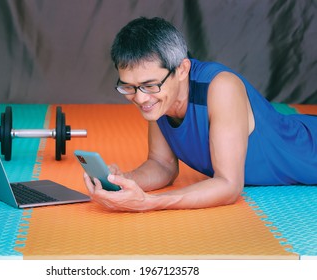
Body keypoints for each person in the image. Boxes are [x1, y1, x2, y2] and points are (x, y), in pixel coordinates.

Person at [83, 17, 317, 212]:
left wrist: (149, 202)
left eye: (150, 85)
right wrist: (123, 181)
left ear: (182, 69)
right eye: (129, 87)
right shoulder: (160, 100)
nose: (141, 98)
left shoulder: (221, 87)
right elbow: (162, 165)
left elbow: (228, 185)